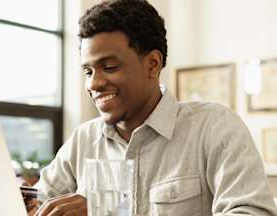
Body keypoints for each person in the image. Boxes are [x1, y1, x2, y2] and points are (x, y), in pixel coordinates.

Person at [31, 0, 277, 215]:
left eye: (110, 67)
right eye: (88, 71)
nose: (94, 83)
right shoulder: (84, 140)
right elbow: (37, 200)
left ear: (152, 64)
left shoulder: (214, 127)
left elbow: (251, 213)